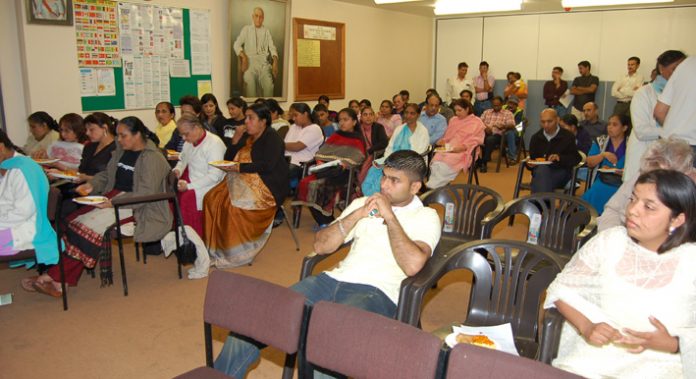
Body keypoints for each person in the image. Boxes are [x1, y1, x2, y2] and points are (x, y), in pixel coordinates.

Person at [213, 150, 441, 377]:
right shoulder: (364, 203)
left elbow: (413, 265)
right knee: (251, 325)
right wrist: (357, 214)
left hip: (375, 293)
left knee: (328, 348)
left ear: (414, 187)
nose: (384, 186)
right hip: (330, 280)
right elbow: (321, 246)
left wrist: (390, 217)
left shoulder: (426, 217)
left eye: (394, 180)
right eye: (384, 177)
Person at [544, 169, 696, 378]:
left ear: (677, 220)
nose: (633, 210)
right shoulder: (611, 242)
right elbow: (561, 289)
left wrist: (673, 344)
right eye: (633, 199)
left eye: (649, 207)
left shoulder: (691, 260)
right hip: (598, 359)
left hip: (665, 366)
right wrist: (587, 326)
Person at [24, 117, 173, 296]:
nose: (119, 139)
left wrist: (113, 203)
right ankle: (59, 278)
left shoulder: (152, 158)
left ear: (137, 135)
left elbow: (146, 193)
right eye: (118, 135)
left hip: (138, 206)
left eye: (123, 135)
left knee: (85, 228)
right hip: (116, 195)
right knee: (70, 222)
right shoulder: (122, 150)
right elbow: (107, 174)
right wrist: (92, 184)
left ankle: (57, 279)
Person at [203, 103, 288, 268]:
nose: (246, 122)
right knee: (211, 198)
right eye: (246, 117)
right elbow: (228, 157)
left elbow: (267, 166)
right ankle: (215, 248)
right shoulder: (248, 136)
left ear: (263, 121)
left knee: (232, 207)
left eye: (251, 118)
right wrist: (235, 140)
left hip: (267, 185)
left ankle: (235, 253)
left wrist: (239, 167)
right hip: (243, 179)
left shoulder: (272, 138)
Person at [598, 137, 695, 232]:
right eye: (632, 199)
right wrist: (613, 237)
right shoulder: (647, 170)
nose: (632, 210)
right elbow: (613, 209)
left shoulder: (689, 193)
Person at [292, 108, 366, 227]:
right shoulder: (335, 135)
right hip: (325, 170)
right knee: (304, 183)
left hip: (344, 174)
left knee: (322, 187)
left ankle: (325, 221)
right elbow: (321, 153)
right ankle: (325, 221)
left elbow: (357, 158)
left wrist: (344, 163)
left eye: (345, 119)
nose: (342, 123)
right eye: (340, 120)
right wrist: (320, 161)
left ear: (354, 122)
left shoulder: (357, 139)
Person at [0, 130, 59, 269]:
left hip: (24, 228)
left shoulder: (23, 169)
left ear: (1, 148)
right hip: (8, 222)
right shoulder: (7, 165)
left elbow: (22, 212)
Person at [172, 113, 226, 237]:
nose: (184, 138)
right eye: (182, 135)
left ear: (197, 127)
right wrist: (177, 171)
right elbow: (182, 160)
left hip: (211, 185)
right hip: (192, 176)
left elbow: (214, 176)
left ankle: (195, 238)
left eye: (186, 134)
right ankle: (178, 234)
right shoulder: (189, 141)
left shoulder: (214, 143)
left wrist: (189, 186)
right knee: (170, 192)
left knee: (187, 197)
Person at [361, 103, 430, 196]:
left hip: (410, 163)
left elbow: (418, 154)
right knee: (373, 170)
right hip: (392, 159)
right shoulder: (399, 129)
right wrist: (388, 160)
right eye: (406, 113)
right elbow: (390, 147)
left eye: (412, 113)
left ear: (418, 115)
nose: (408, 116)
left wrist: (398, 162)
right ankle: (370, 196)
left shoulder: (422, 131)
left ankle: (381, 197)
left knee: (385, 175)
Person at [426, 99, 485, 189]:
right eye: (455, 110)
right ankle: (435, 186)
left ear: (467, 109)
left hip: (465, 149)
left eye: (459, 110)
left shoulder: (476, 122)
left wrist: (463, 147)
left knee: (446, 163)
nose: (457, 113)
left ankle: (431, 187)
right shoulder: (453, 120)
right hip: (449, 147)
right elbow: (448, 136)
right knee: (436, 161)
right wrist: (442, 141)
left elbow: (476, 139)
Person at [581, 114, 631, 214]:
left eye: (615, 125)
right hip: (603, 180)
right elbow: (590, 163)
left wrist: (624, 172)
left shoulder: (631, 144)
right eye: (609, 124)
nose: (610, 127)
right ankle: (592, 223)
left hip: (622, 184)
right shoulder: (600, 141)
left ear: (624, 128)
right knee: (595, 192)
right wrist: (603, 155)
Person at [625, 65, 666, 181]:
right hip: (642, 152)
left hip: (663, 155)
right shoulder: (643, 93)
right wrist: (670, 130)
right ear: (662, 69)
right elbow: (641, 131)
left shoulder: (675, 94)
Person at [528, 109, 581, 193]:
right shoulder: (535, 138)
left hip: (560, 172)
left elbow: (576, 158)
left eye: (549, 121)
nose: (546, 125)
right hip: (540, 173)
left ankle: (538, 205)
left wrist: (560, 158)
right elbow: (533, 159)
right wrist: (530, 164)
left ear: (557, 120)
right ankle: (542, 204)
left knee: (540, 181)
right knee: (542, 172)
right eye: (543, 122)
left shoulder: (568, 136)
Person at [654, 51, 695, 157]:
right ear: (661, 69)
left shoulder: (687, 64)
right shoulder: (644, 92)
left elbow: (659, 112)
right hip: (691, 145)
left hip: (670, 143)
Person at [233, 7, 278, 98]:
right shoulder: (246, 29)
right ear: (253, 17)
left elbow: (272, 47)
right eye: (256, 16)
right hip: (250, 64)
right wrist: (244, 56)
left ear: (263, 18)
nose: (258, 19)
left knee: (269, 86)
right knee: (251, 87)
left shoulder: (266, 31)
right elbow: (236, 45)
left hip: (264, 64)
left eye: (261, 17)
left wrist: (275, 61)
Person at [284, 103, 324, 183]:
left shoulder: (314, 129)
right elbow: (286, 144)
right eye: (292, 116)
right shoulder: (293, 127)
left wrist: (278, 145)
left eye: (296, 115)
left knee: (277, 173)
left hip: (301, 164)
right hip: (286, 160)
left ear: (305, 114)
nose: (293, 118)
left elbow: (297, 147)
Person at [480, 96, 515, 172]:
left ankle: (484, 162)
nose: (496, 107)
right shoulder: (486, 112)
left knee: (489, 140)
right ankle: (478, 161)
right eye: (494, 105)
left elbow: (512, 125)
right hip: (485, 132)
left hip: (499, 135)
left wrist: (504, 126)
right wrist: (485, 128)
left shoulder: (507, 113)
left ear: (502, 104)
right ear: (491, 105)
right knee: (479, 139)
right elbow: (479, 122)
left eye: (498, 105)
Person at [356, 106, 389, 183]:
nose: (368, 117)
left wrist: (370, 150)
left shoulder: (378, 127)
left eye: (370, 114)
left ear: (374, 116)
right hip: (359, 153)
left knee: (363, 171)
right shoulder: (357, 128)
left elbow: (384, 142)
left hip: (374, 154)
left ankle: (364, 188)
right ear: (361, 117)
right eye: (365, 114)